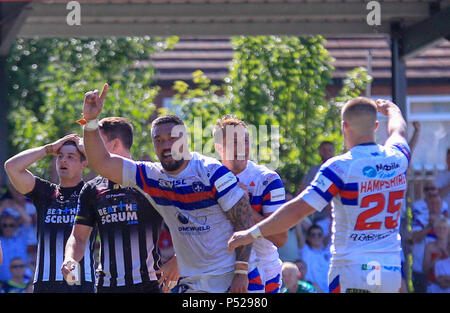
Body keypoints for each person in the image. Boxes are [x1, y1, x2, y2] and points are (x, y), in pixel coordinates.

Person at [80, 83, 255, 293]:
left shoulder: (211, 172)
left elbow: (244, 220)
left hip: (227, 278)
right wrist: (90, 122)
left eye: (172, 138)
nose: (165, 145)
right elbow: (102, 164)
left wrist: (241, 273)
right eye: (159, 140)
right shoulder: (150, 176)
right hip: (190, 282)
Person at [228, 97, 410, 293]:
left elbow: (298, 210)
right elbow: (398, 131)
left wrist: (251, 233)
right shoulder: (398, 158)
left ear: (344, 126)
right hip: (390, 269)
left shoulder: (340, 167)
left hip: (352, 269)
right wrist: (392, 110)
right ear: (375, 126)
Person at [61, 117, 165, 293]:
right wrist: (69, 258)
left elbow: (186, 221)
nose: (91, 149)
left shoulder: (150, 178)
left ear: (115, 144)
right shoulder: (92, 188)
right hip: (107, 286)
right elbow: (78, 237)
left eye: (97, 142)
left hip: (149, 284)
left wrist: (177, 261)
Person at [4, 136, 96, 293]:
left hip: (81, 282)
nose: (63, 161)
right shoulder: (46, 192)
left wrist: (89, 150)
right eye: (60, 156)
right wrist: (49, 148)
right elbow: (11, 167)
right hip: (45, 283)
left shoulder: (91, 193)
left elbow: (111, 168)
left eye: (70, 157)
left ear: (84, 164)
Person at [213, 115, 287, 293]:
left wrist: (242, 205)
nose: (241, 148)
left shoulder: (267, 179)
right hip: (221, 267)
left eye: (245, 141)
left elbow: (280, 238)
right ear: (218, 147)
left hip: (264, 268)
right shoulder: (210, 177)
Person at [410, 193, 448, 292]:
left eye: (437, 203)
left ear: (441, 205)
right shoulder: (419, 219)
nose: (435, 206)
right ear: (427, 205)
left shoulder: (447, 222)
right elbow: (414, 239)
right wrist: (429, 225)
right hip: (421, 271)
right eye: (432, 203)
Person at [0, 214, 35, 282]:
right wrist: (3, 206)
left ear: (15, 226)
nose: (8, 228)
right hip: (3, 284)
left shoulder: (21, 238)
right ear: (1, 227)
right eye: (5, 225)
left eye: (11, 225)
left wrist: (13, 204)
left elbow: (27, 220)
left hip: (23, 284)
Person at [298, 224, 331, 293]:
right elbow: (299, 233)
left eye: (319, 234)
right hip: (313, 291)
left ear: (323, 237)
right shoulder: (306, 252)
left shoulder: (329, 252)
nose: (316, 237)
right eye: (313, 235)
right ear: (308, 237)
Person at [423, 218, 449, 293]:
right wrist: (435, 260)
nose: (441, 231)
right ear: (435, 230)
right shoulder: (430, 247)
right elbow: (424, 269)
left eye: (444, 228)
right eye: (439, 228)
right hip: (433, 286)